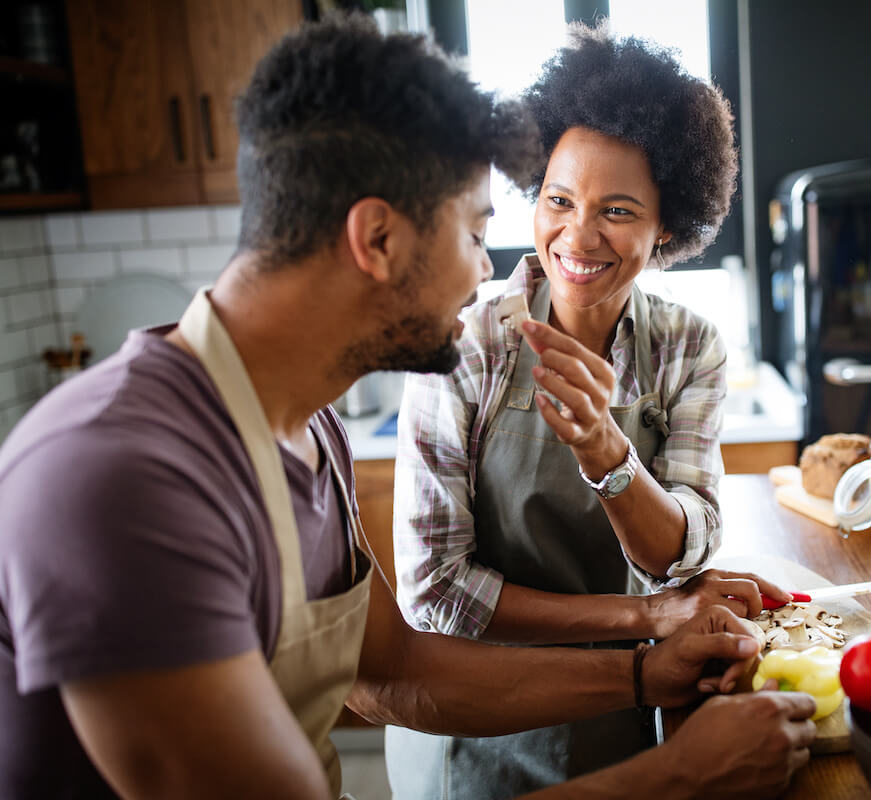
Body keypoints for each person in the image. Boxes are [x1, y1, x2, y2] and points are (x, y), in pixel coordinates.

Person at [0, 15, 817, 800]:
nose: (482, 278)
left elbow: (393, 672)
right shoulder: (118, 479)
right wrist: (679, 777)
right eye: (472, 232)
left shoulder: (303, 427)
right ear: (379, 240)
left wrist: (643, 671)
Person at [389, 23, 784, 797]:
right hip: (478, 738)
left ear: (667, 227)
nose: (578, 234)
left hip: (629, 726)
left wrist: (609, 455)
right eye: (559, 199)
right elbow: (435, 593)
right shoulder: (466, 343)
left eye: (618, 211)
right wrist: (643, 621)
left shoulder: (687, 347)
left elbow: (683, 555)